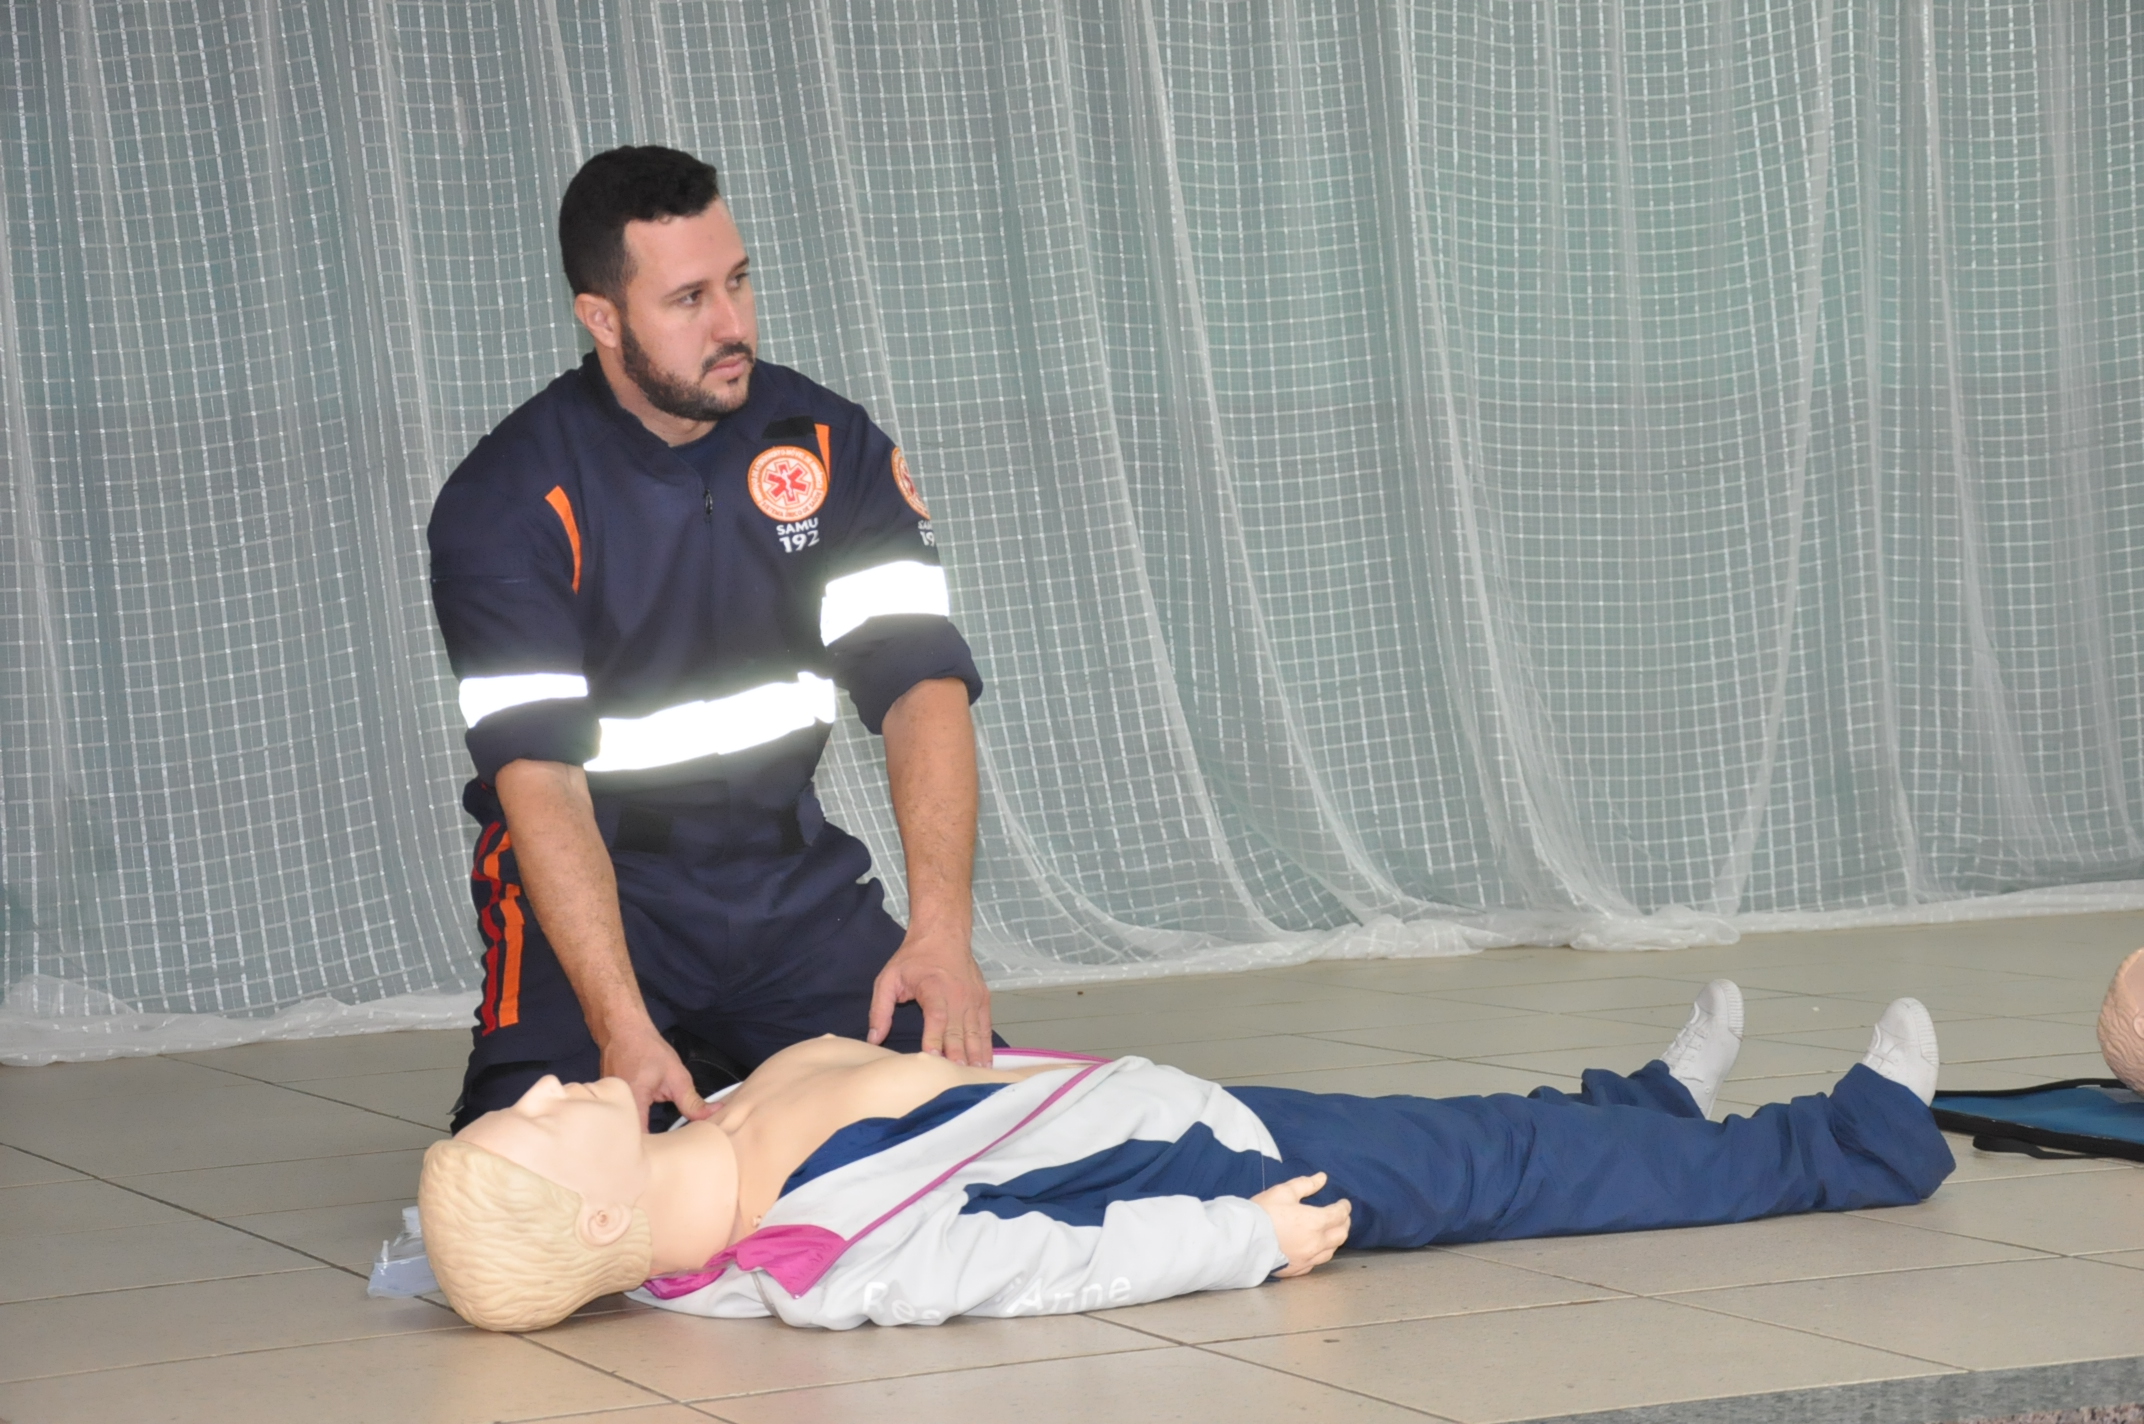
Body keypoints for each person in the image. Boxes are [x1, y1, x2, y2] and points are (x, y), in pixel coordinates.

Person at [427, 146, 995, 1134]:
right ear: (602, 318)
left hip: (791, 895)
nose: (731, 325)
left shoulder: (827, 442)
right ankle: (667, 1063)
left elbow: (919, 688)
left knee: (957, 1131)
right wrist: (620, 1024)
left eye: (737, 281)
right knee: (540, 1183)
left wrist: (940, 933)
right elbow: (540, 779)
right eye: (687, 298)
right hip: (608, 900)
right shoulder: (506, 500)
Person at [418, 981, 1955, 1332]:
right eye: (534, 1119)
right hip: (1225, 1175)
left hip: (1164, 1106)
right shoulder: (824, 1259)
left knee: (1498, 1138)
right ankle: (1861, 1143)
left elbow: (448, 1259)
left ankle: (1646, 1105)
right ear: (594, 1207)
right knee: (1508, 1170)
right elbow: (1047, 1268)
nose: (546, 1080)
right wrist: (1244, 1243)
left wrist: (469, 1247)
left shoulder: (705, 1140)